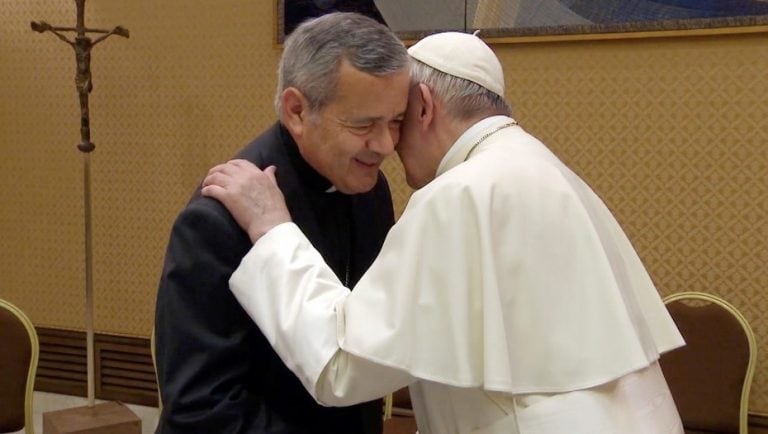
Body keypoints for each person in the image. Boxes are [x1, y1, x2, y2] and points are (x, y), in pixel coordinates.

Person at [202, 32, 686, 434]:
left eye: (395, 121)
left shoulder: (458, 194)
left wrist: (272, 229)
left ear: (426, 107)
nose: (388, 145)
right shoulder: (545, 168)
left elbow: (340, 367)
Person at [154, 12, 410, 434]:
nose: (385, 145)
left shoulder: (370, 192)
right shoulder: (216, 219)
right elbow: (200, 408)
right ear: (296, 110)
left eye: (395, 121)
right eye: (364, 124)